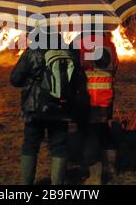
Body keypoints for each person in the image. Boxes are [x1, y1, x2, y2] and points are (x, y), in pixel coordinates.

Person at [10, 29, 79, 185]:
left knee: (30, 144)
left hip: (35, 107)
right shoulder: (69, 51)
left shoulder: (33, 52)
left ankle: (26, 184)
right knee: (59, 145)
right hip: (61, 107)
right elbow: (75, 81)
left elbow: (15, 79)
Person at [72, 32, 118, 185]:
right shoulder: (109, 44)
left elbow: (73, 68)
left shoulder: (80, 43)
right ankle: (110, 169)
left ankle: (93, 174)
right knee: (104, 131)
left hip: (88, 98)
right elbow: (115, 66)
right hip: (106, 95)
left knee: (89, 135)